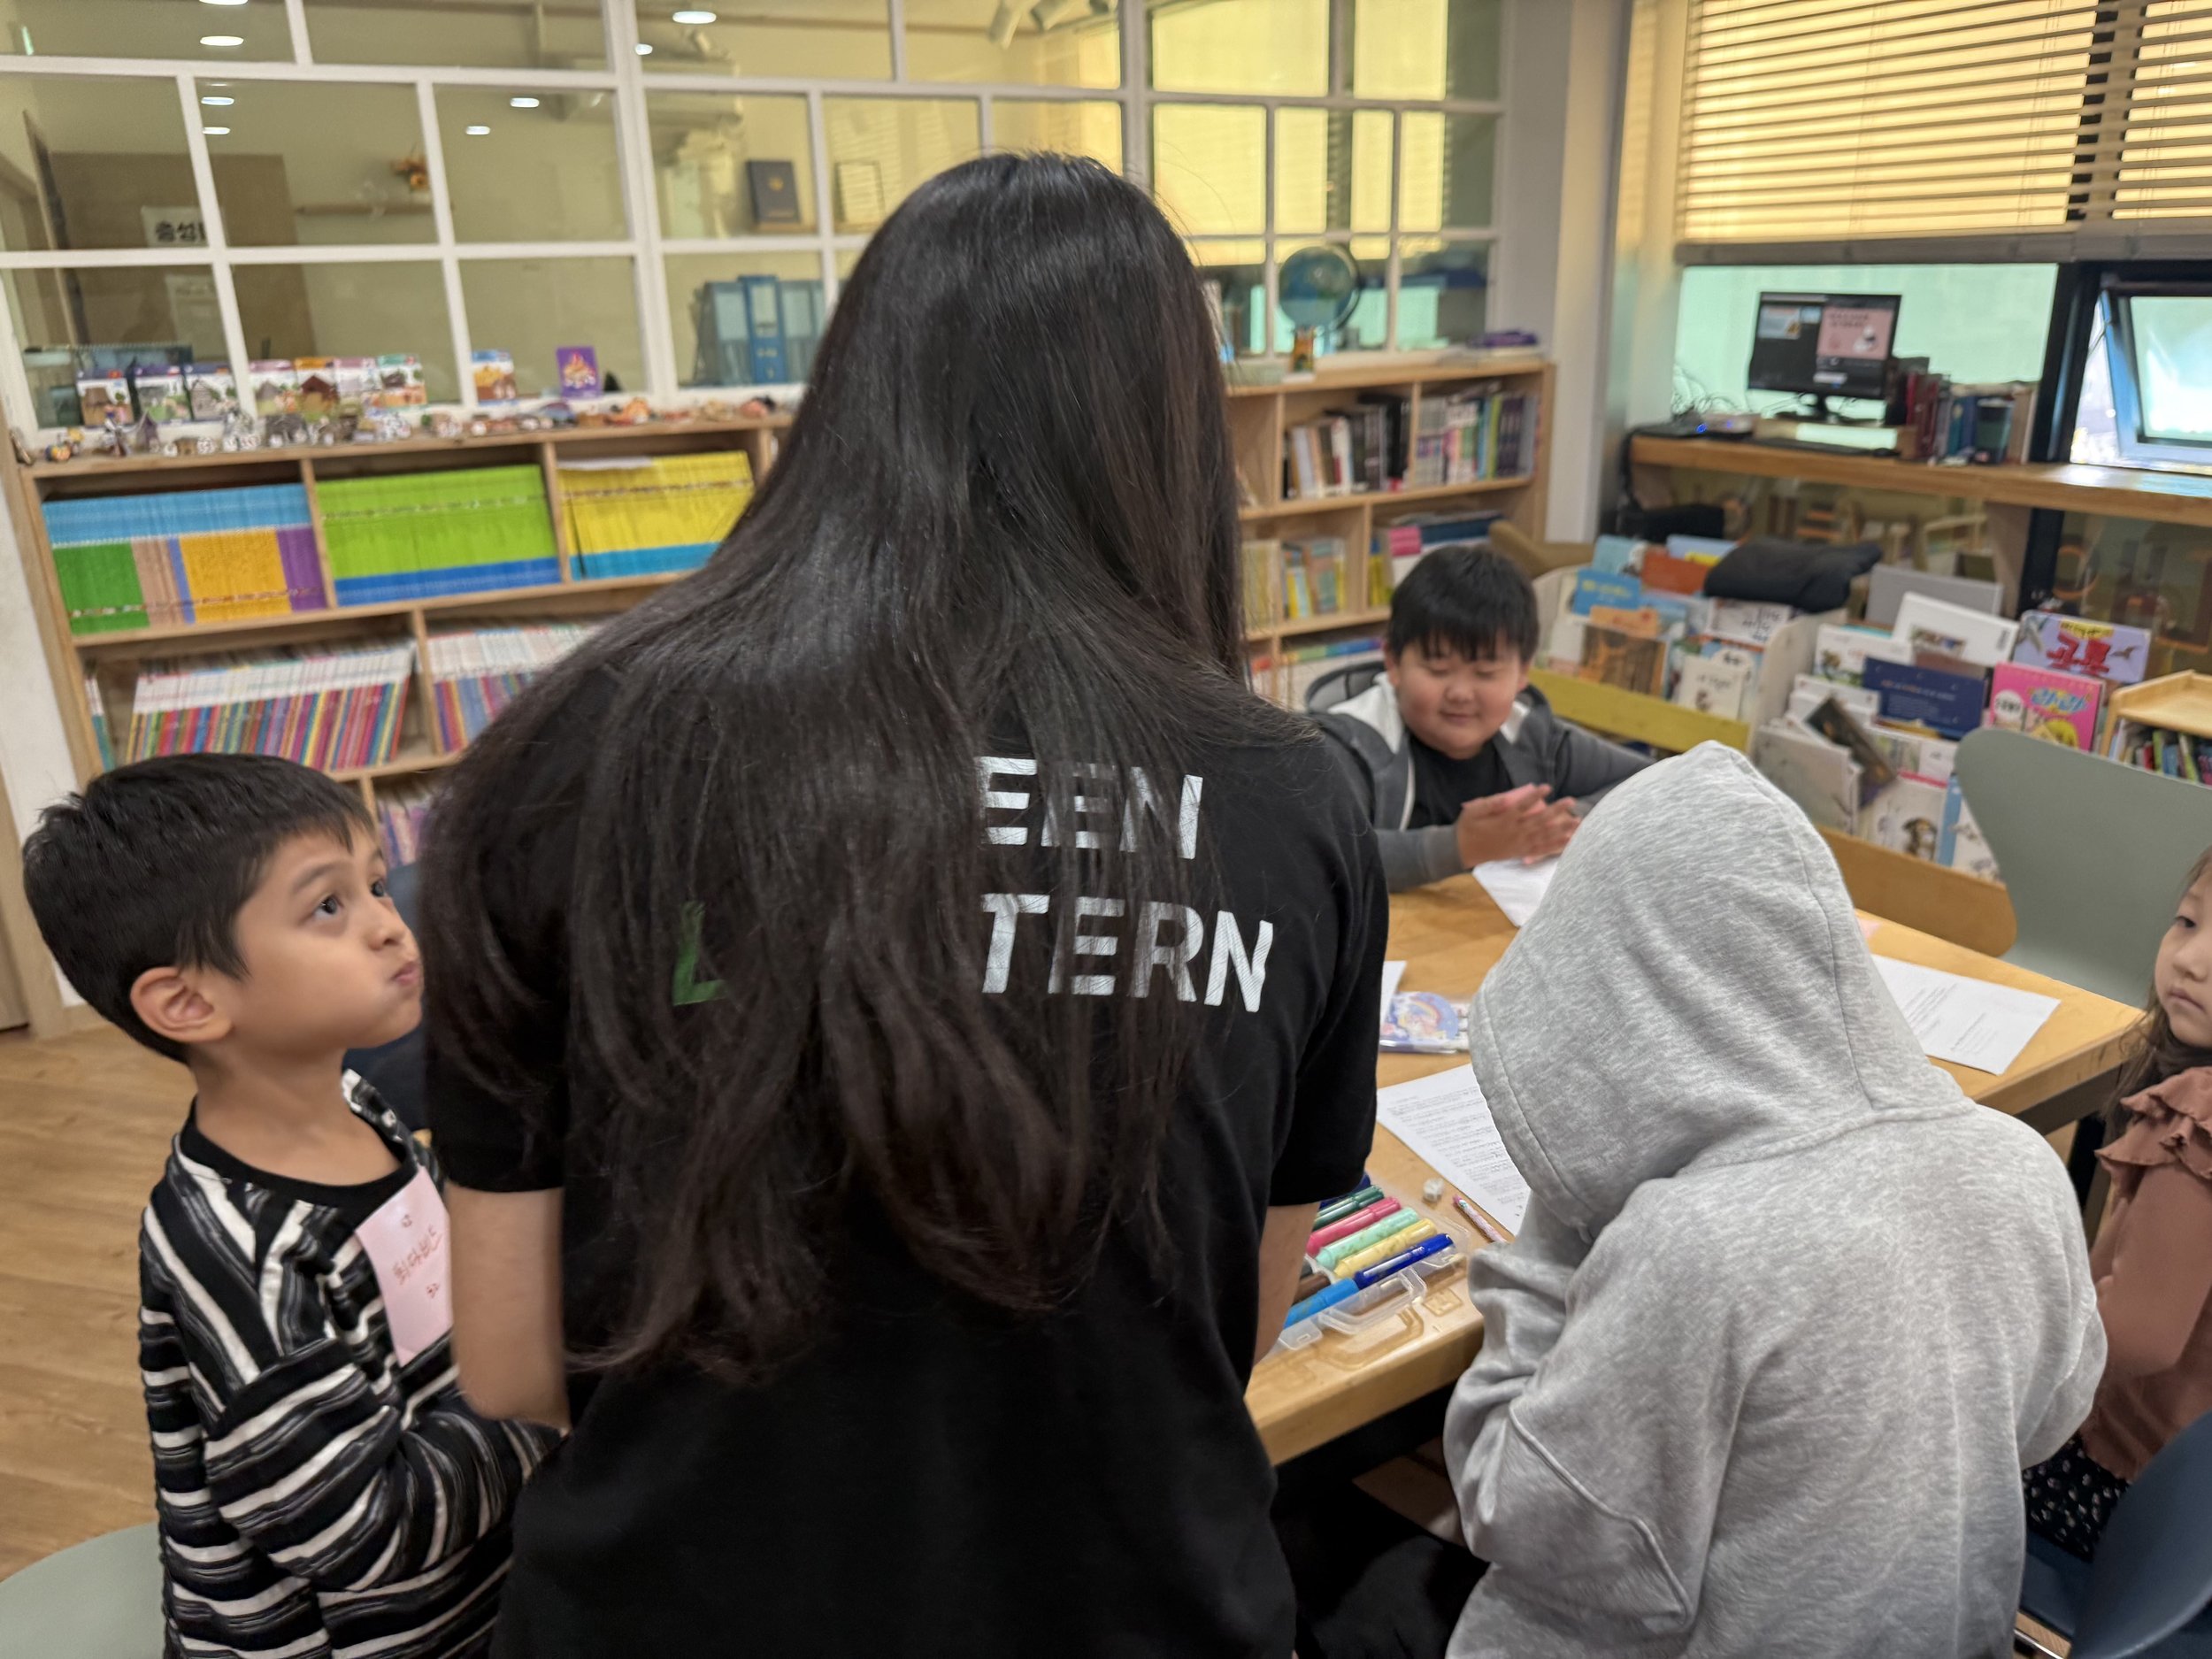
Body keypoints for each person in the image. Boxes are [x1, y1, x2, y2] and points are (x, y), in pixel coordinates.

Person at [419, 153, 1387, 1656]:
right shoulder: (1292, 795)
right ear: (1176, 437)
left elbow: (510, 1361)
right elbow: (1236, 1328)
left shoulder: (569, 754)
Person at [1442, 743, 2103, 1658]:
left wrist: (1559, 1220)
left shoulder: (1692, 1247)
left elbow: (1525, 1516)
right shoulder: (2018, 1165)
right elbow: (2048, 1416)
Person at [19, 753, 554, 1659]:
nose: (390, 926)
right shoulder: (244, 1254)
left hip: (468, 1596)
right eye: (328, 907)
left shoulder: (362, 1106)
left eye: (377, 885)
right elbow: (359, 1531)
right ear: (188, 1001)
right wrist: (542, 1397)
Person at [2025, 845, 2212, 1561]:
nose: (2190, 959)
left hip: (2121, 1488)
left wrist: (2015, 1337)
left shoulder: (2198, 1118)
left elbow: (2135, 1338)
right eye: (2186, 921)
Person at [1315, 546, 1647, 892]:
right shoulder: (1347, 746)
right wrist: (1459, 847)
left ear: (1523, 673)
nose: (1460, 692)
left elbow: (1656, 780)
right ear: (1394, 663)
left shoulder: (1532, 736)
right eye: (1438, 669)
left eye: (1486, 672)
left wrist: (1568, 820)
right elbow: (1322, 853)